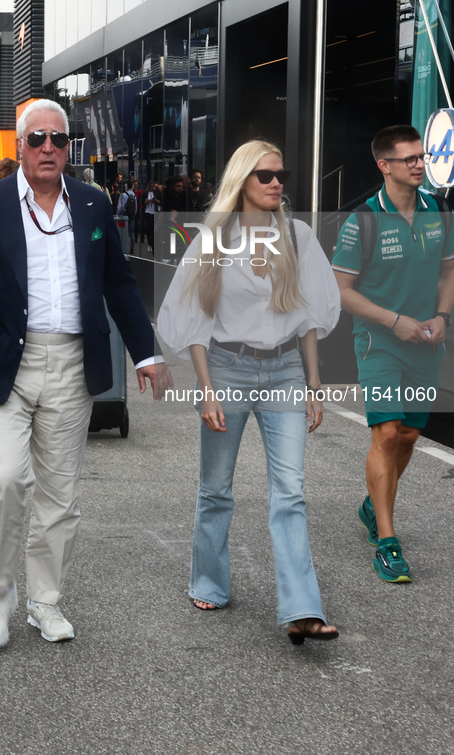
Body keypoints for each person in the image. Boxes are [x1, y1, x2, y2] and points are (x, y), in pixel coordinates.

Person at [0, 98, 172, 648]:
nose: (47, 148)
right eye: (36, 139)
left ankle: (44, 601)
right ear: (19, 146)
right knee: (5, 479)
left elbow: (118, 284)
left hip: (71, 363)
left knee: (60, 495)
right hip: (3, 364)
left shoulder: (91, 204)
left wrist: (148, 352)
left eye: (58, 139)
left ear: (70, 147)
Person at [158, 139, 340, 644]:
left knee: (291, 492)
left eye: (281, 174)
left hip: (283, 372)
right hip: (227, 370)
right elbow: (195, 321)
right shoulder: (213, 239)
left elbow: (306, 319)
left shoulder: (298, 236)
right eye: (266, 176)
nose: (277, 183)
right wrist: (208, 389)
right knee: (216, 488)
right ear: (242, 181)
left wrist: (314, 384)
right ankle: (209, 582)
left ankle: (302, 608)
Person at [332, 125, 454, 584]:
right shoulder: (361, 220)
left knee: (407, 438)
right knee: (385, 434)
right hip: (379, 342)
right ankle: (387, 540)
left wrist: (442, 316)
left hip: (427, 343)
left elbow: (448, 274)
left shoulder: (438, 209)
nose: (420, 164)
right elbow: (341, 292)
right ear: (384, 166)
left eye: (421, 157)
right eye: (410, 159)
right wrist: (393, 321)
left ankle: (371, 504)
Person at [116, 179, 137, 253]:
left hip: (124, 215)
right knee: (132, 232)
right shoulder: (134, 195)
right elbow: (136, 206)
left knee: (123, 231)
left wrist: (117, 215)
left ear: (126, 186)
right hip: (132, 215)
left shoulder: (123, 195)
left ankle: (123, 246)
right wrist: (134, 213)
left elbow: (120, 206)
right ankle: (132, 247)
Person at [141, 181, 162, 255]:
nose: (152, 188)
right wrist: (150, 200)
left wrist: (155, 201)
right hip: (147, 212)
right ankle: (149, 244)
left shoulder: (156, 193)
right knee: (149, 228)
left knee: (153, 228)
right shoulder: (145, 193)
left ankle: (152, 243)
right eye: (151, 186)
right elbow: (143, 203)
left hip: (154, 212)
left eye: (153, 186)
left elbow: (160, 202)